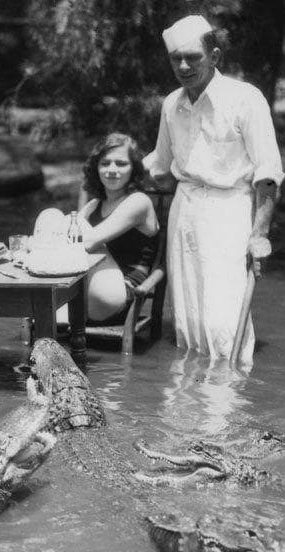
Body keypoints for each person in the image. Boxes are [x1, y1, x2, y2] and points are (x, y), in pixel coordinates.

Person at [143, 15, 283, 365]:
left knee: (223, 317)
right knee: (187, 314)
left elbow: (268, 173)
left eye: (193, 57)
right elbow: (161, 167)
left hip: (229, 210)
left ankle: (230, 389)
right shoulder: (171, 104)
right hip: (184, 209)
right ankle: (189, 392)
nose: (184, 66)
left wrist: (259, 234)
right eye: (176, 59)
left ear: (215, 56)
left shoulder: (245, 98)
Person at [78, 133, 160, 323]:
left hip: (119, 294)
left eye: (121, 164)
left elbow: (88, 242)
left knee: (70, 225)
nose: (112, 170)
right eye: (105, 163)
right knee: (51, 216)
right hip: (89, 288)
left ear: (134, 168)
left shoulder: (139, 201)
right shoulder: (94, 205)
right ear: (96, 168)